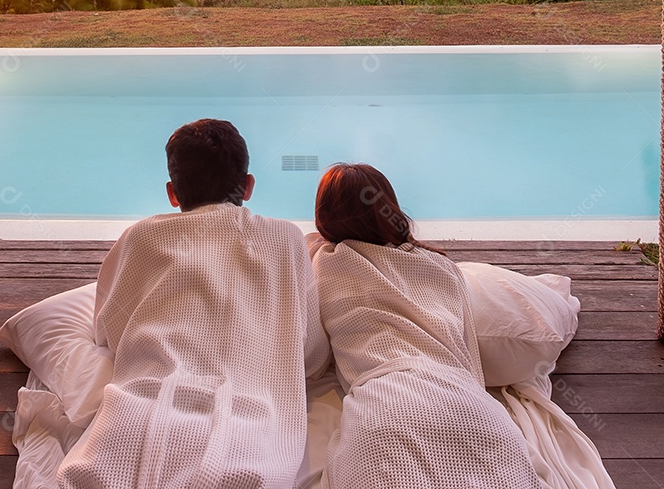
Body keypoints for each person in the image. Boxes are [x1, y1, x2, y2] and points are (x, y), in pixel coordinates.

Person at [57, 118, 330, 489]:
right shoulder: (286, 239)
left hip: (136, 414)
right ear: (248, 186)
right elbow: (311, 356)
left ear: (173, 193)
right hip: (251, 430)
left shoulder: (141, 237)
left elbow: (108, 332)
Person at [309, 163, 543, 489]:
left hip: (385, 409)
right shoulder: (442, 266)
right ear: (389, 206)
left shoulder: (325, 262)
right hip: (469, 406)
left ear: (325, 217)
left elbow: (314, 357)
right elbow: (467, 352)